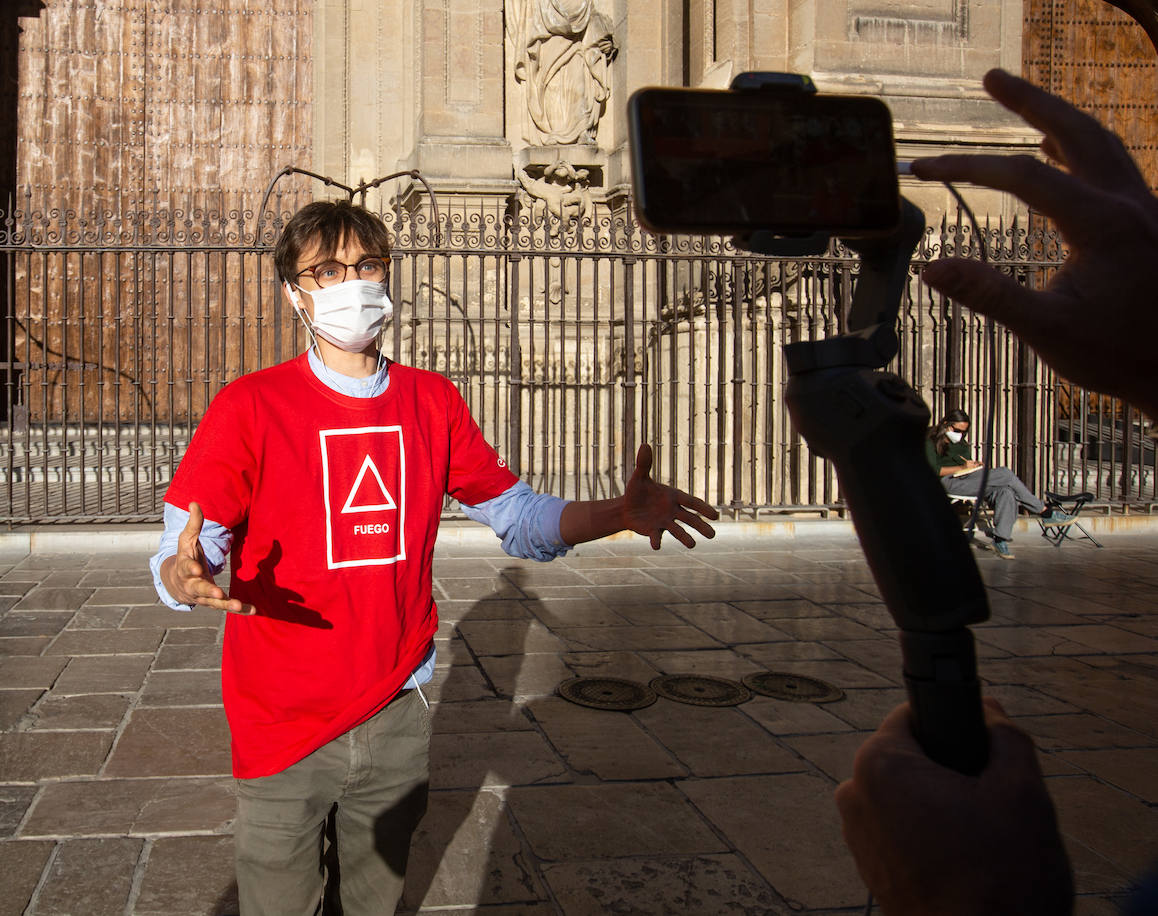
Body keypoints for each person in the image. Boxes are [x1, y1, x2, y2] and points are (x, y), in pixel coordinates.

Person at [149, 199, 719, 915]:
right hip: (281, 717)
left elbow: (517, 516)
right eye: (326, 270)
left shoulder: (432, 401)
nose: (350, 283)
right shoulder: (251, 405)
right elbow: (190, 537)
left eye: (367, 266)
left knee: (376, 901)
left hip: (394, 711)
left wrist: (615, 514)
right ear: (294, 293)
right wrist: (185, 570)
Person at [837, 68, 1158, 914]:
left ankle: (1022, 523)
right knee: (1006, 480)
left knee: (1006, 479)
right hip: (958, 479)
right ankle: (1026, 524)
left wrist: (972, 897)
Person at [925, 407, 1076, 559]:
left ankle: (1000, 539)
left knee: (1006, 491)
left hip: (966, 479)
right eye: (957, 430)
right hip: (945, 482)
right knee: (1005, 473)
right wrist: (962, 467)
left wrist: (972, 466)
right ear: (946, 424)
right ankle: (1045, 512)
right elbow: (933, 470)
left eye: (964, 432)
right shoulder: (929, 439)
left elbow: (965, 465)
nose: (960, 435)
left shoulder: (961, 443)